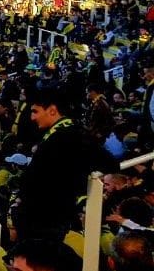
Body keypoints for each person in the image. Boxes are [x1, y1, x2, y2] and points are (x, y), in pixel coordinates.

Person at [15, 89, 115, 241]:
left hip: (49, 221)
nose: (32, 117)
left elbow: (109, 164)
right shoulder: (68, 133)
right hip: (50, 218)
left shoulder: (68, 136)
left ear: (53, 110)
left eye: (35, 111)